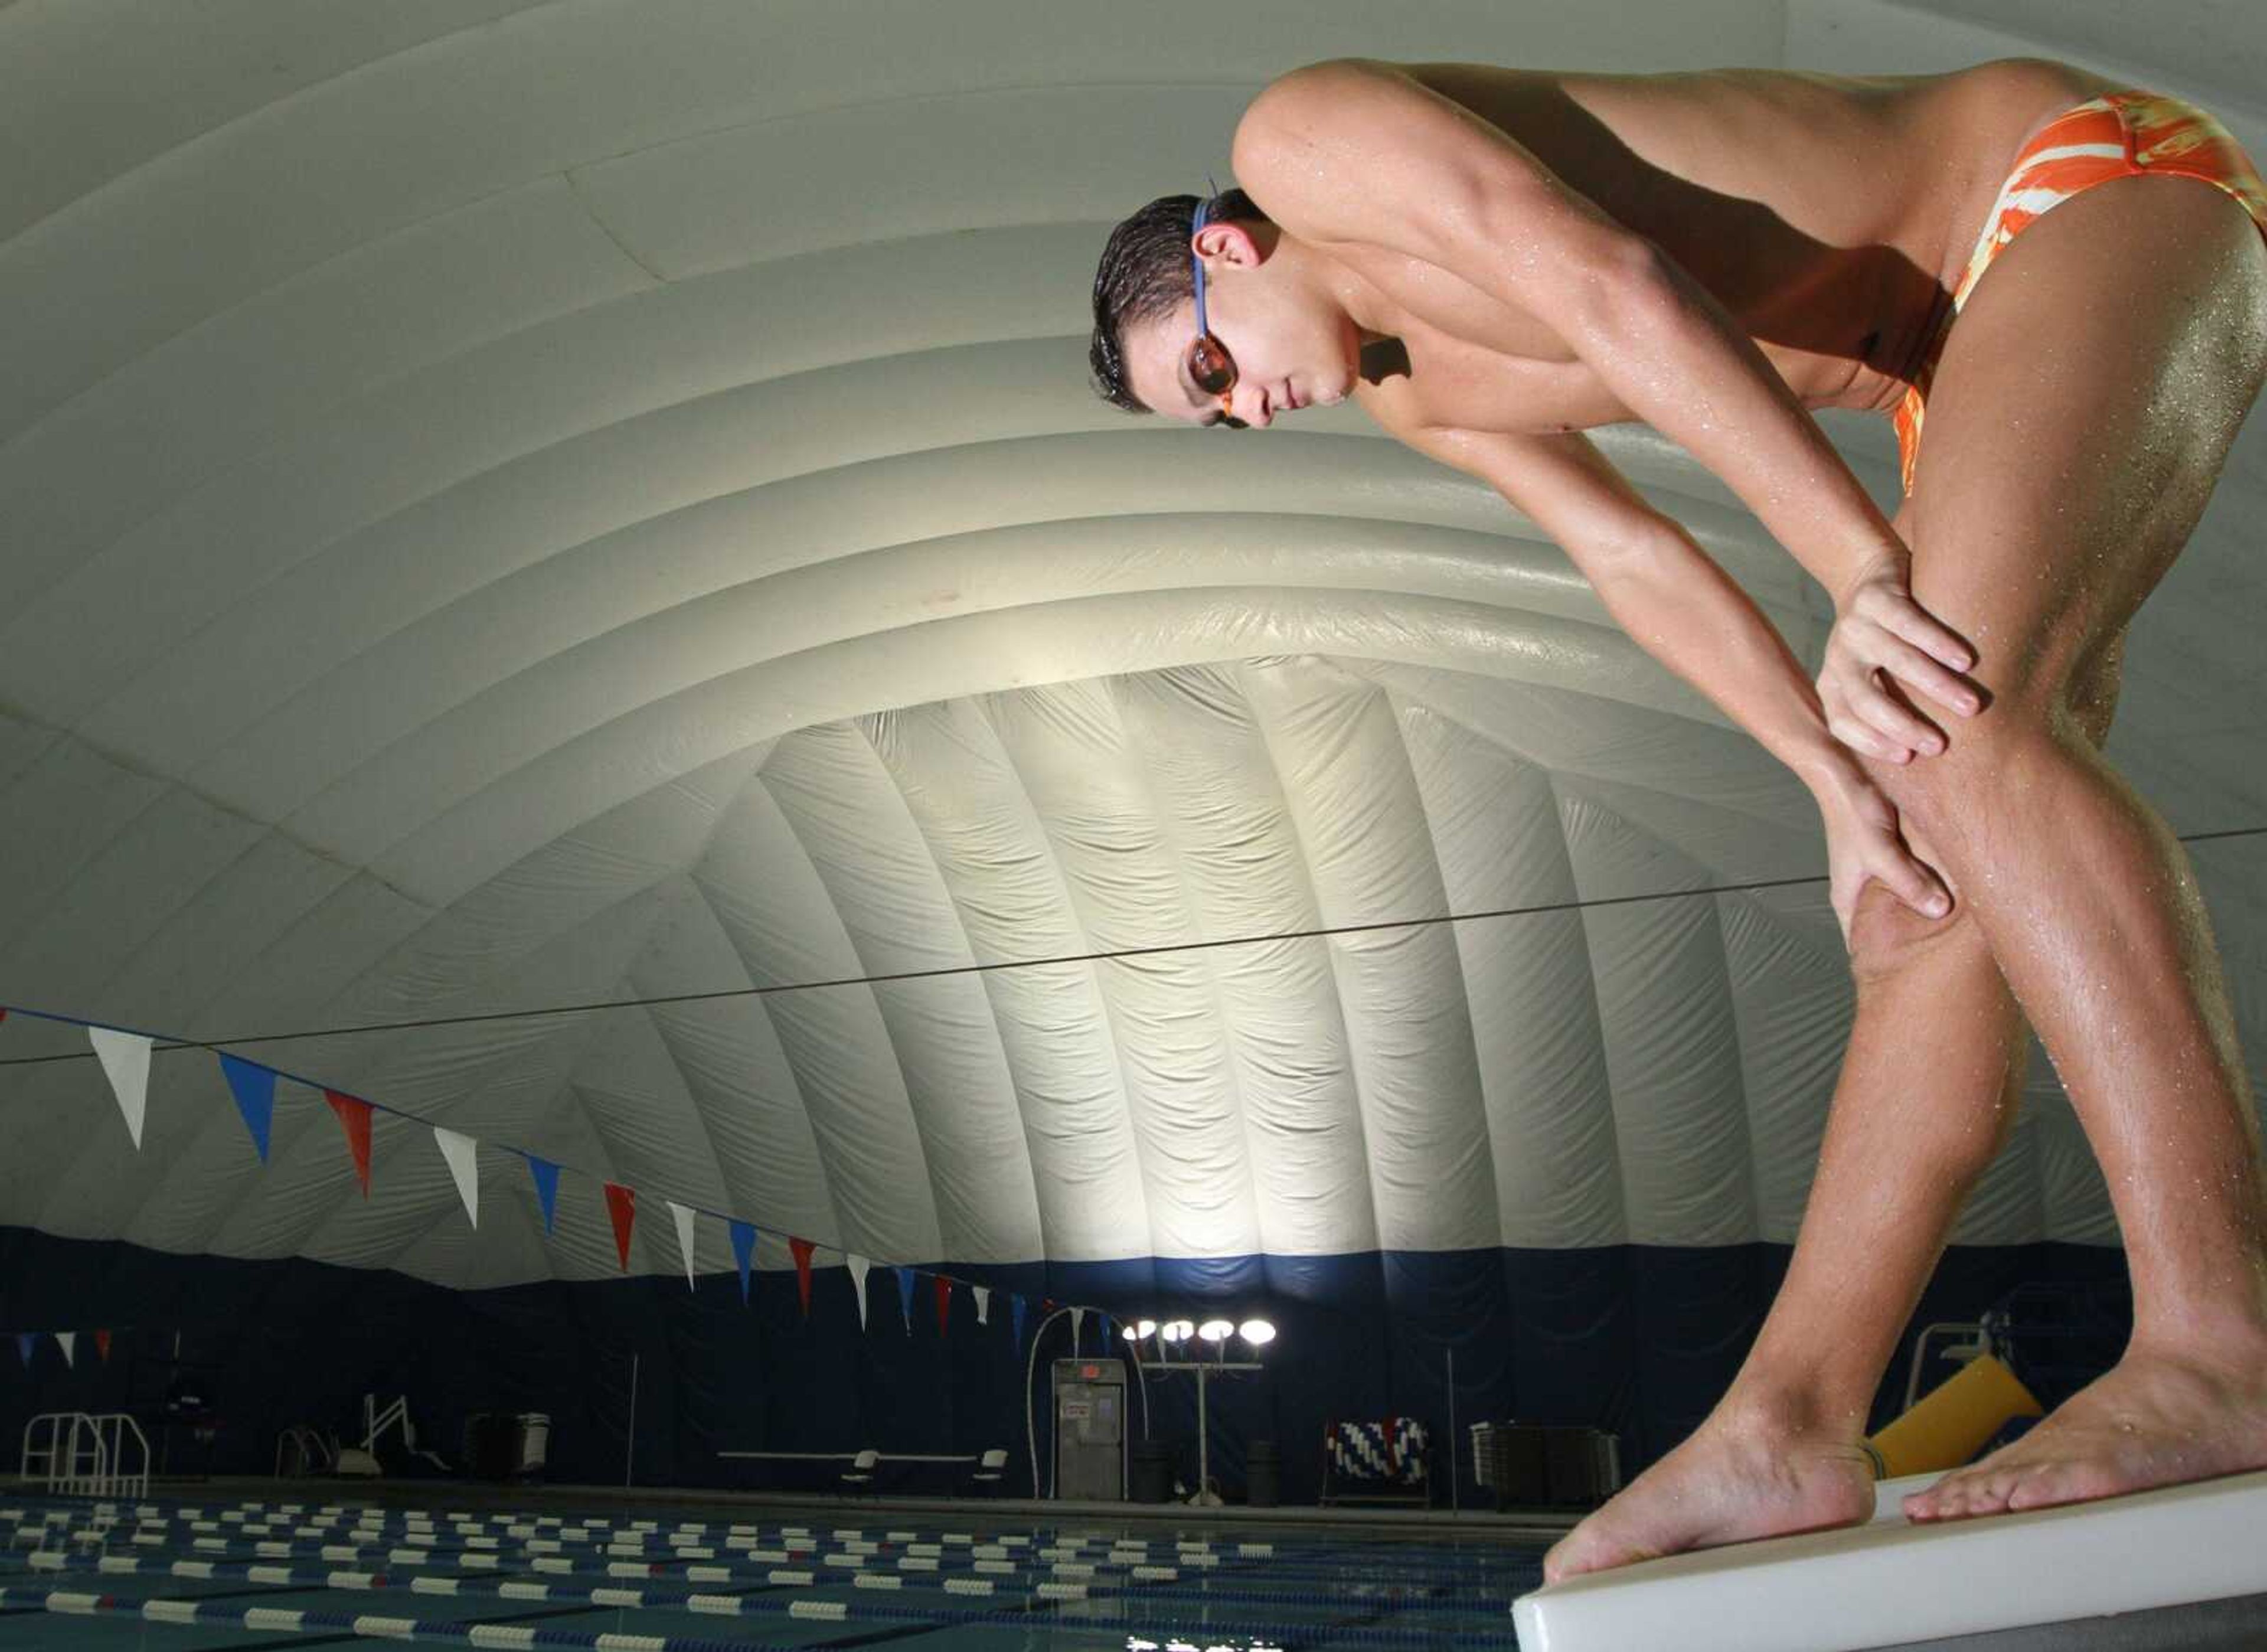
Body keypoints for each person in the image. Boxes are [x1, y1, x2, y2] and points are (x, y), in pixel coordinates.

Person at [1087, 58, 2267, 1582]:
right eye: (1223, 420)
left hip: (2065, 194)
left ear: (1227, 252)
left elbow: (1618, 286)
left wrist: (1860, 575)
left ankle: (2219, 1335)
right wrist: (1831, 780)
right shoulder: (1410, 390)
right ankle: (1786, 1422)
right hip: (1951, 365)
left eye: (1214, 372)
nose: (1251, 409)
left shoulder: (1300, 141)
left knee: (1972, 742)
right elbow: (1630, 557)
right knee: (1916, 896)